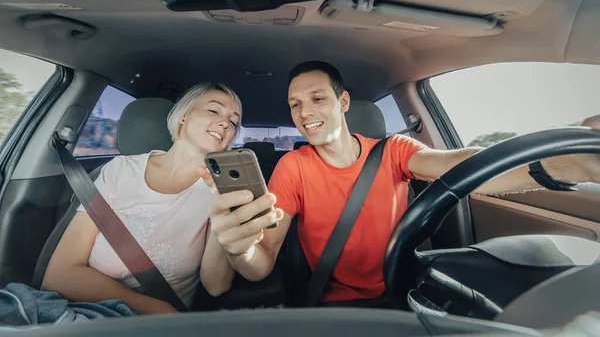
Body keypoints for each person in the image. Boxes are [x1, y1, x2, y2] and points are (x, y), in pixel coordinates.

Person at [208, 61, 600, 308]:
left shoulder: (393, 150)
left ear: (343, 102)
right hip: (334, 305)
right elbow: (262, 265)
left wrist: (567, 164)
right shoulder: (293, 166)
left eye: (317, 98)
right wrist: (238, 251)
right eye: (295, 104)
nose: (306, 112)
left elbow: (458, 163)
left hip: (408, 292)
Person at [42, 82, 244, 315]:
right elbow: (59, 274)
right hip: (84, 315)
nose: (226, 123)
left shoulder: (220, 192)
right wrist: (151, 307)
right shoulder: (119, 171)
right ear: (184, 116)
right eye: (213, 110)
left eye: (234, 121)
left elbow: (217, 285)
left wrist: (226, 211)